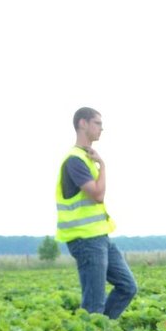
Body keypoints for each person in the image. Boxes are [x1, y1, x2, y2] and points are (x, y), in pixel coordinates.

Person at [55, 107, 137, 318]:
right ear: (83, 123)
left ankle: (100, 330)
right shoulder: (75, 160)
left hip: (99, 236)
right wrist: (103, 165)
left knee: (127, 286)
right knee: (93, 303)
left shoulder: (85, 157)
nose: (102, 128)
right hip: (85, 239)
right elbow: (97, 195)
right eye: (98, 123)